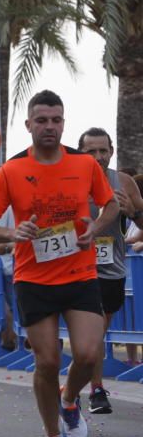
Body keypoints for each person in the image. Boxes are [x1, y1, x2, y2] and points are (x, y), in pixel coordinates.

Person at [0, 89, 118, 437]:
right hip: (33, 278)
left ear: (63, 124)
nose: (49, 127)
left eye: (56, 120)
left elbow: (111, 203)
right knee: (47, 361)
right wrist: (11, 234)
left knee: (88, 352)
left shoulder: (84, 165)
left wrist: (97, 227)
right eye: (42, 120)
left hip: (80, 272)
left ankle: (68, 400)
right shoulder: (11, 171)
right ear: (29, 125)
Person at [77, 127, 143, 413]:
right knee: (92, 335)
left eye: (103, 150)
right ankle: (96, 389)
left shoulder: (124, 182)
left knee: (96, 335)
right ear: (80, 152)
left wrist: (134, 212)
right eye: (91, 150)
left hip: (110, 269)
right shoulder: (69, 180)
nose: (98, 156)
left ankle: (73, 389)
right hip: (75, 270)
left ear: (112, 152)